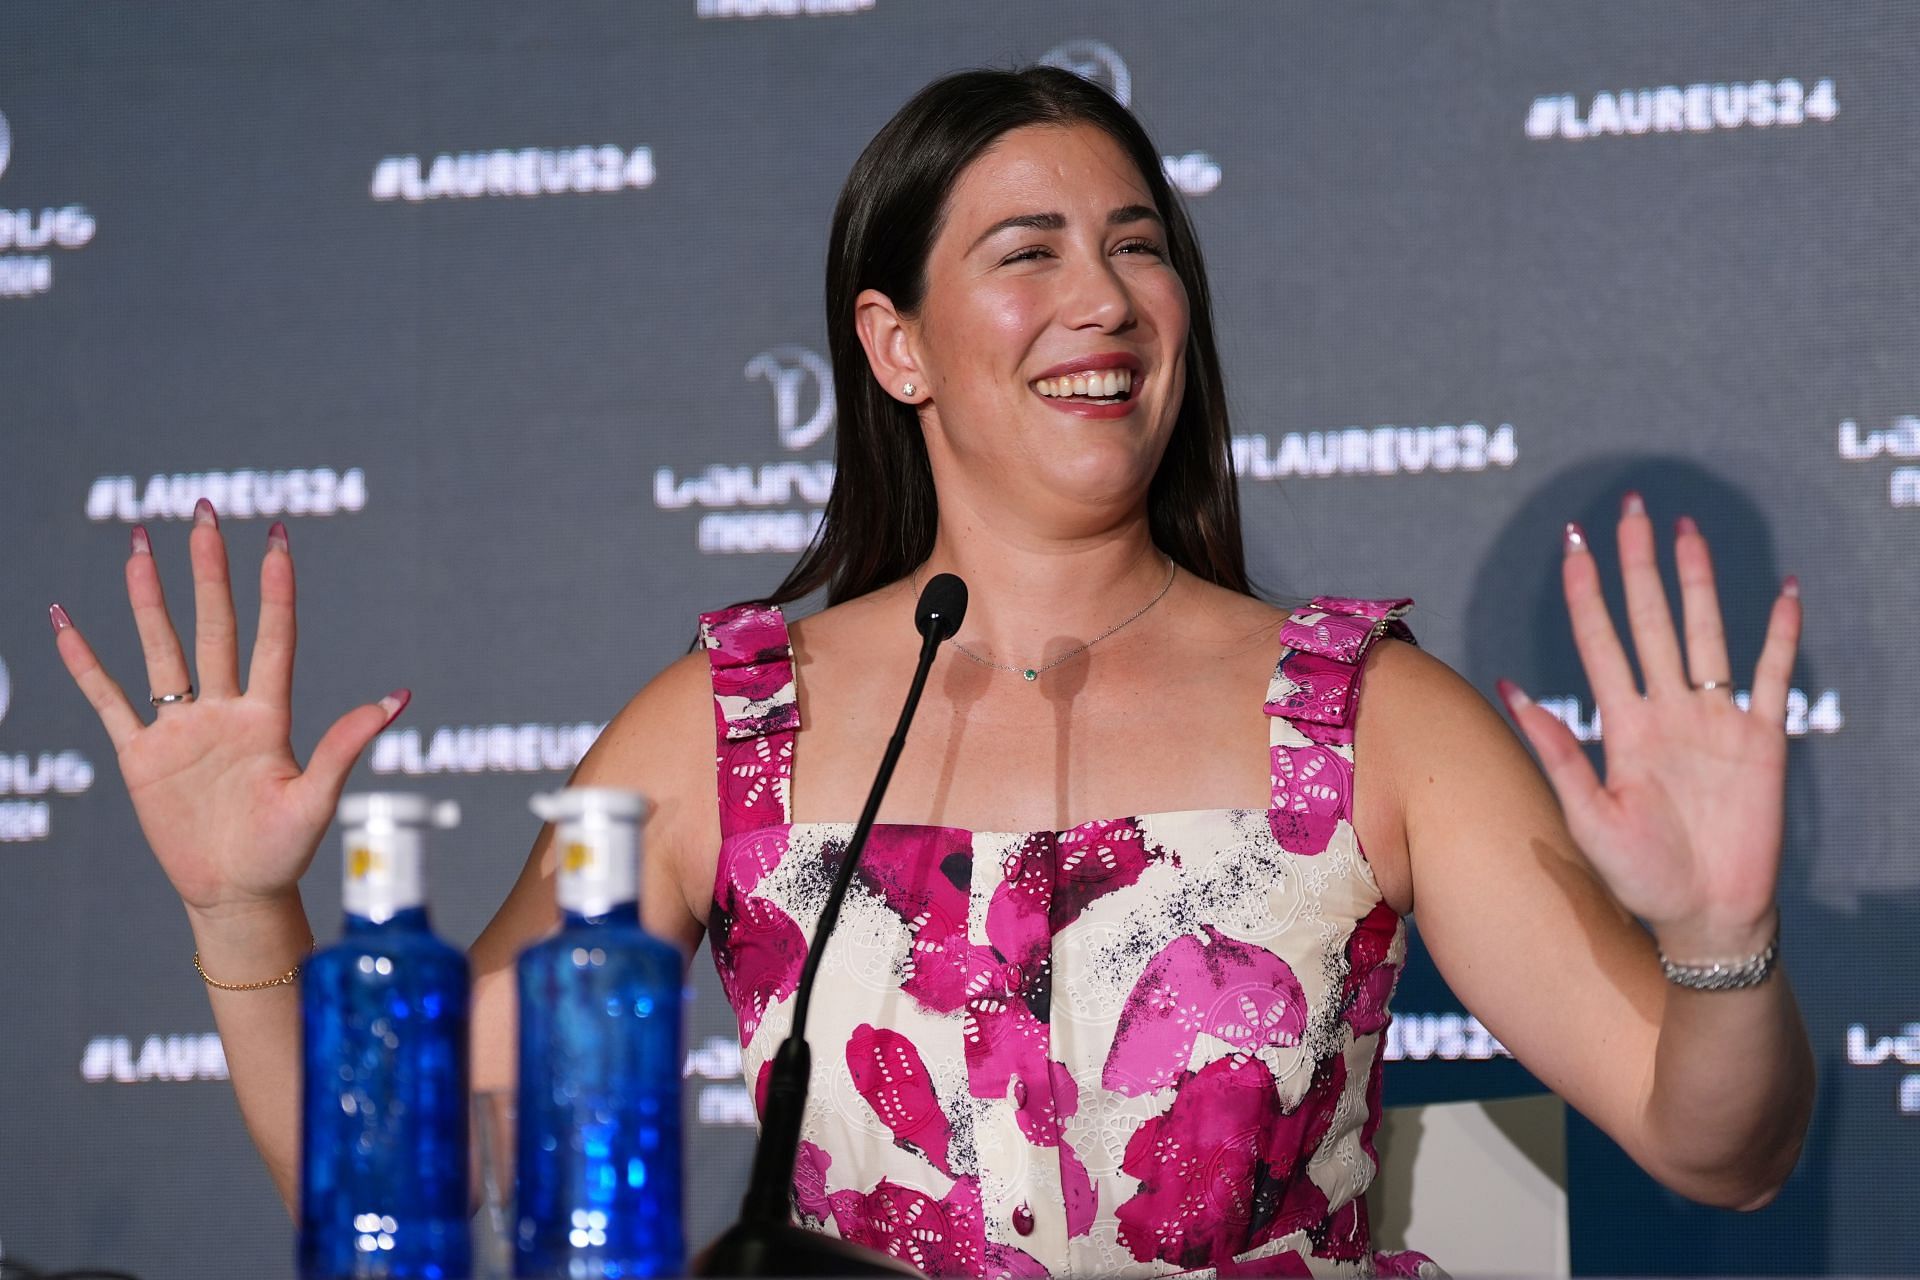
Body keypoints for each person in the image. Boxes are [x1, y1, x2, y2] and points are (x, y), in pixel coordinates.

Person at [51, 66, 1812, 1278]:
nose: (1102, 298)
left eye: (1138, 246)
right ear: (893, 345)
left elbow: (1716, 1145)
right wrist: (236, 917)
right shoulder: (725, 728)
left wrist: (1721, 940)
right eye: (1025, 251)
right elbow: (396, 1193)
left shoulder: (1367, 716)